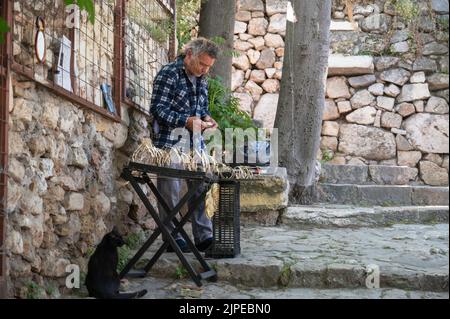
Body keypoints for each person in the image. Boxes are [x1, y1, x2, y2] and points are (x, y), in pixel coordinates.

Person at [150, 38, 220, 253]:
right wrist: (186, 121)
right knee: (170, 189)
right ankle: (172, 237)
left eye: (208, 66)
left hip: (195, 143)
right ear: (189, 54)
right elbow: (157, 109)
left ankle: (203, 236)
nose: (204, 70)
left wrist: (208, 119)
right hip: (169, 142)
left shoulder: (202, 77)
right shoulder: (169, 73)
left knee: (201, 186)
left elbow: (202, 107)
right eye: (202, 64)